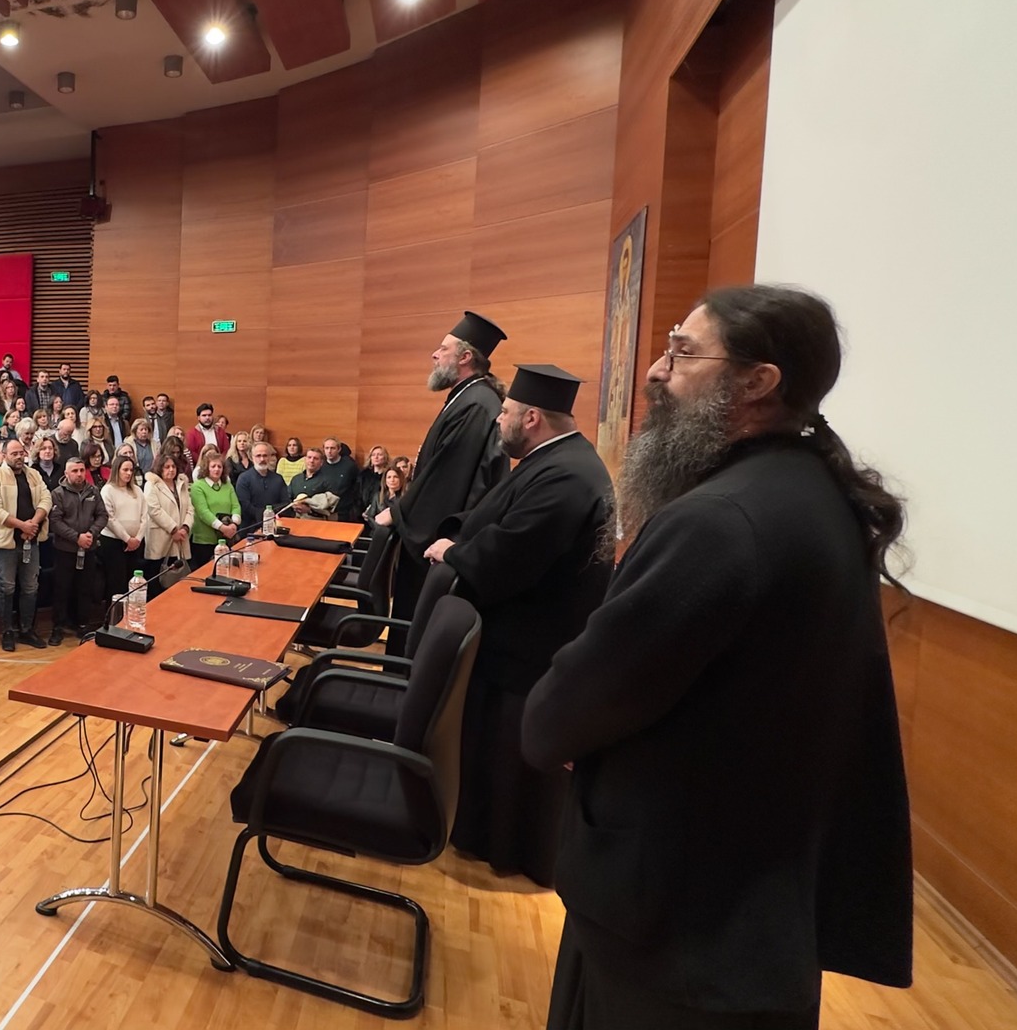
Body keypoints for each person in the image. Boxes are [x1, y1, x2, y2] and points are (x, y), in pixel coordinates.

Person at [522, 287, 913, 1028]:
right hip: (737, 902)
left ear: (758, 381)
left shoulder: (719, 522)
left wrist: (567, 726)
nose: (657, 372)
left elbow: (568, 708)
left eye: (683, 352)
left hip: (677, 917)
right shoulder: (808, 492)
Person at [413, 366, 616, 889]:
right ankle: (478, 834)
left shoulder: (569, 474)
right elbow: (496, 516)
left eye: (504, 412)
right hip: (515, 637)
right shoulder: (551, 460)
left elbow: (515, 549)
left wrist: (456, 551)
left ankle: (507, 850)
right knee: (491, 744)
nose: (497, 418)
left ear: (532, 417)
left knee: (510, 757)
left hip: (531, 644)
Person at [378, 311, 510, 620]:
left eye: (443, 349)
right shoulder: (468, 397)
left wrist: (400, 512)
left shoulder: (476, 404)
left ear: (465, 357)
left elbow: (449, 477)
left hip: (440, 537)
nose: (434, 355)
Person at [0, 438, 51, 651]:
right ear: (3, 456)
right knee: (7, 587)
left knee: (31, 587)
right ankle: (7, 632)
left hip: (32, 540)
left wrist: (34, 524)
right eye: (14, 454)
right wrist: (23, 526)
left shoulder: (34, 475)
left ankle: (27, 629)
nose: (20, 457)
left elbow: (46, 499)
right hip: (6, 544)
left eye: (22, 453)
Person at [46, 456, 107, 645]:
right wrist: (76, 537)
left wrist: (91, 534)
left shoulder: (93, 491)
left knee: (85, 588)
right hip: (65, 550)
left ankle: (82, 624)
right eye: (75, 471)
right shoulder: (57, 494)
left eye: (81, 470)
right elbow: (55, 521)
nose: (79, 474)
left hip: (88, 548)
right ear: (66, 473)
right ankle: (58, 627)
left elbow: (102, 515)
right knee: (62, 589)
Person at [97, 455, 146, 607]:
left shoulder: (137, 490)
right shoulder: (108, 490)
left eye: (131, 470)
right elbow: (110, 518)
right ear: (117, 470)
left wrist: (137, 538)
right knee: (116, 582)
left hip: (135, 543)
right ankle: (113, 617)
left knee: (132, 581)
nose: (129, 473)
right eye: (125, 470)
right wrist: (127, 539)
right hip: (113, 543)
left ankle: (131, 613)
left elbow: (145, 516)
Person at [142, 451, 194, 596]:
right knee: (158, 580)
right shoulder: (151, 485)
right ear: (159, 468)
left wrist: (185, 527)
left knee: (177, 581)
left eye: (173, 466)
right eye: (166, 467)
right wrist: (173, 530)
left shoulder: (181, 484)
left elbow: (190, 508)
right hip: (161, 538)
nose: (171, 470)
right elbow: (154, 510)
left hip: (181, 539)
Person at [189, 449, 242, 567]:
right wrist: (223, 528)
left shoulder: (227, 485)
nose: (217, 469)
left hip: (226, 538)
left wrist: (234, 524)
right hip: (204, 541)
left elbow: (236, 506)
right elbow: (203, 512)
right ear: (206, 468)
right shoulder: (198, 486)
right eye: (213, 466)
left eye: (219, 466)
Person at [234, 439, 290, 530]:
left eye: (265, 455)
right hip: (250, 528)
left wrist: (270, 513)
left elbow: (285, 503)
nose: (262, 459)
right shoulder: (243, 478)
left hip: (275, 525)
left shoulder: (278, 479)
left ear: (269, 457)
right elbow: (244, 505)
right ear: (252, 457)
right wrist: (264, 514)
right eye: (258, 456)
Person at [183, 402, 229, 467]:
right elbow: (191, 452)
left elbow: (226, 449)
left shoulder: (220, 431)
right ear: (198, 417)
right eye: (204, 415)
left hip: (218, 466)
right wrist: (204, 463)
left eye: (209, 415)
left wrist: (220, 461)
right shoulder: (192, 433)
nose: (207, 418)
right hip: (200, 467)